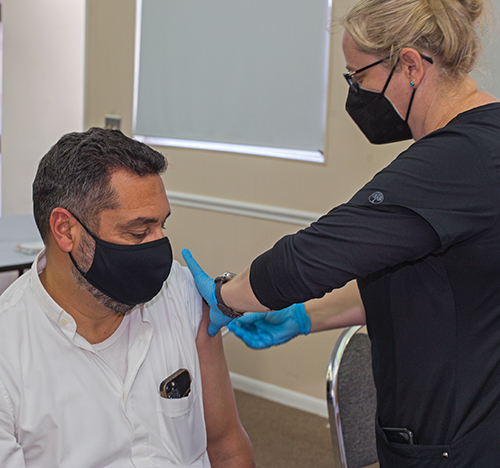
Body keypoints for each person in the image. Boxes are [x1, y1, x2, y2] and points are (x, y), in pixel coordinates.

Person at [182, 0, 500, 465]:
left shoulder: (457, 160)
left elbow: (310, 257)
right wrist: (304, 316)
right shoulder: (487, 136)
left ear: (409, 65)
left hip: (454, 442)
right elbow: (428, 281)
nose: (355, 93)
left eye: (358, 77)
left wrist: (226, 295)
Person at [0, 127, 254, 468]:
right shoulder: (9, 351)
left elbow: (225, 442)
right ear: (65, 230)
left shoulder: (180, 293)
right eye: (138, 232)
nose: (159, 247)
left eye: (162, 225)